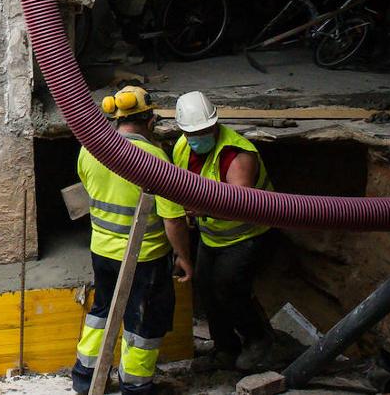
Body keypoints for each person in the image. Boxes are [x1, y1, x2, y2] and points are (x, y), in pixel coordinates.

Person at [72, 86, 192, 395]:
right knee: (143, 322)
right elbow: (173, 219)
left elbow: (89, 193)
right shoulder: (154, 159)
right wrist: (183, 256)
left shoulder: (90, 150)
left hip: (102, 251)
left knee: (102, 312)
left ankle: (85, 376)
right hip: (144, 257)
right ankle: (136, 386)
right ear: (150, 121)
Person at [171, 90, 277, 372]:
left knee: (228, 288)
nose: (197, 137)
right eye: (192, 132)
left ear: (215, 125)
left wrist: (201, 210)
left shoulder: (238, 155)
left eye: (204, 130)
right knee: (205, 288)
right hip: (212, 235)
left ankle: (258, 340)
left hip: (246, 235)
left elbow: (240, 205)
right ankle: (225, 348)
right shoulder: (182, 147)